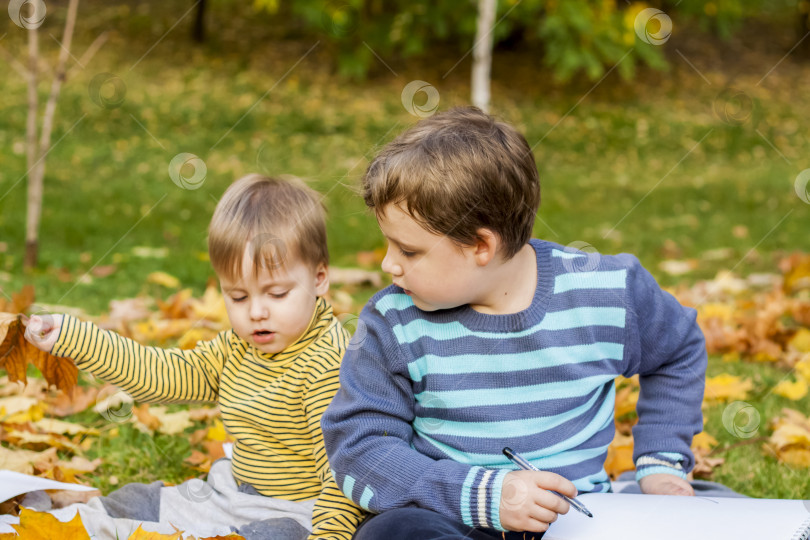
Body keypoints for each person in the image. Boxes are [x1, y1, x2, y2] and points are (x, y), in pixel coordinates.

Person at [320, 107, 708, 539]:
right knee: (390, 534)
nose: (388, 264)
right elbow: (360, 448)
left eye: (408, 251)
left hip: (580, 521)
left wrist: (661, 461)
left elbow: (679, 350)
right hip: (453, 520)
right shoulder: (392, 322)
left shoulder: (606, 292)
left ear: (481, 245)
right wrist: (481, 496)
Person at [22, 174, 365, 540]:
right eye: (238, 296)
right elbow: (163, 375)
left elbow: (344, 476)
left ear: (320, 278)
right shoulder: (237, 347)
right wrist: (76, 338)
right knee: (137, 501)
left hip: (299, 513)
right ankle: (52, 525)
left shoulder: (328, 366)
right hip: (230, 494)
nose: (256, 312)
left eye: (277, 293)